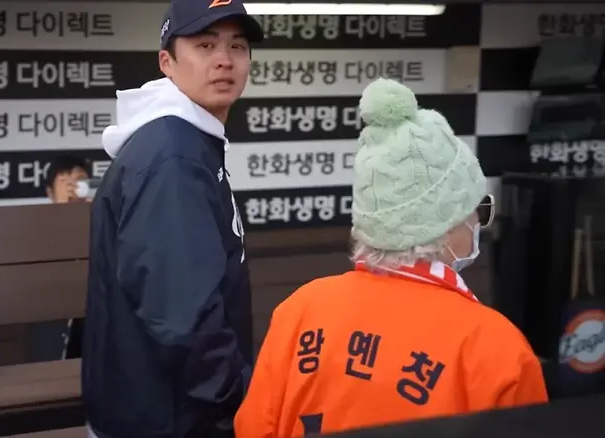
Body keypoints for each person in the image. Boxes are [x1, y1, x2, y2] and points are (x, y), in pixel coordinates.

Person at [234, 78, 549, 438]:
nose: (479, 223)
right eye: (479, 210)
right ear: (446, 222)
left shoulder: (300, 310)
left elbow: (253, 428)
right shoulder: (497, 349)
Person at [81, 0, 263, 437]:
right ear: (167, 62)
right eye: (205, 45)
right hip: (167, 420)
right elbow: (184, 316)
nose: (224, 60)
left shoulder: (183, 140)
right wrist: (244, 399)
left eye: (237, 46)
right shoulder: (173, 157)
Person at [27, 155, 90, 364]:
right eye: (64, 181)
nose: (72, 187)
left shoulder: (102, 219)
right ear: (50, 192)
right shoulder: (36, 231)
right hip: (54, 332)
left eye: (79, 180)